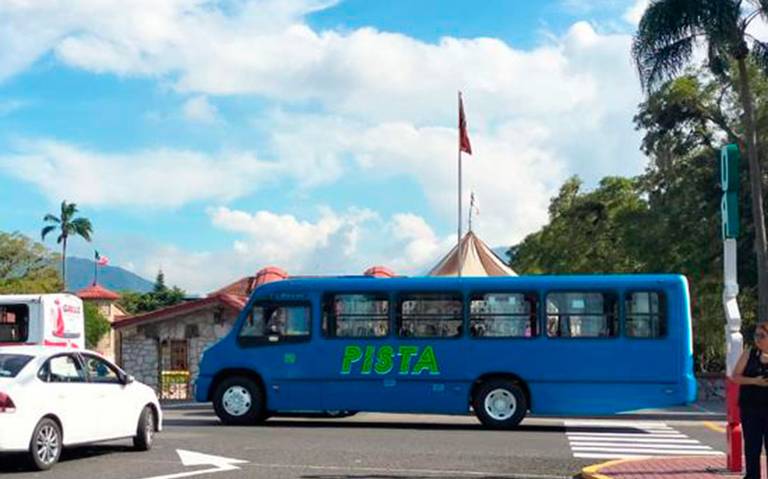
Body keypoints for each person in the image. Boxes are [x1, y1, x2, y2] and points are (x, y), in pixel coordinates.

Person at [732, 321, 768, 479]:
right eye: (756, 335)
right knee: (752, 447)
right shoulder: (750, 353)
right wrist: (755, 381)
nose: (758, 339)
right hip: (751, 408)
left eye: (762, 336)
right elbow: (735, 376)